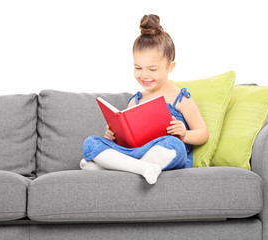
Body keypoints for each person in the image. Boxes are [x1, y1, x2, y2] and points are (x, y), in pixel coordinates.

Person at [80, 14, 209, 184]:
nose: (144, 75)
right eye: (138, 68)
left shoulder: (180, 98)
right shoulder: (135, 101)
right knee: (91, 143)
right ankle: (142, 169)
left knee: (174, 145)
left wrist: (184, 134)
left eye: (152, 69)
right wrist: (114, 136)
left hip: (165, 152)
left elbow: (203, 134)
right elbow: (129, 144)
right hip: (137, 153)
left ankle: (119, 167)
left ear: (170, 67)